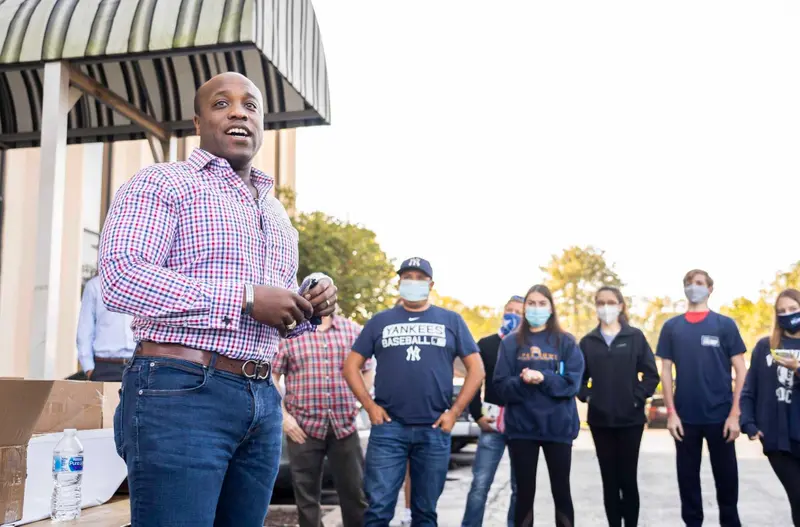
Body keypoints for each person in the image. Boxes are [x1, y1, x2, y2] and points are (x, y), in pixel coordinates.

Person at [99, 72, 338, 527]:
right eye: (221, 103)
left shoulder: (275, 212)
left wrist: (309, 302)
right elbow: (121, 277)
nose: (238, 112)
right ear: (198, 121)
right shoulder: (162, 182)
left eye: (250, 105)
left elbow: (274, 309)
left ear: (262, 123)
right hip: (181, 390)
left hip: (263, 400)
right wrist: (246, 298)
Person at [342, 257, 485, 527]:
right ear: (399, 282)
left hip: (434, 428)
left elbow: (476, 370)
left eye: (420, 278)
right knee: (378, 510)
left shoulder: (451, 320)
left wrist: (454, 413)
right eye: (407, 277)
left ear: (431, 284)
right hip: (388, 429)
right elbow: (351, 366)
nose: (413, 283)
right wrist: (370, 406)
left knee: (425, 512)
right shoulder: (380, 321)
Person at [656, 269, 747, 527]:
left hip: (721, 417)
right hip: (685, 419)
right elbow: (665, 372)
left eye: (698, 283)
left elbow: (741, 371)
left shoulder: (724, 325)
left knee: (727, 482)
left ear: (710, 289)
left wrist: (734, 414)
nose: (693, 287)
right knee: (688, 482)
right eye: (688, 283)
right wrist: (671, 413)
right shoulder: (672, 327)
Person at [493, 284, 585, 527]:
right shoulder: (511, 343)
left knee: (561, 491)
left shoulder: (566, 342)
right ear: (524, 309)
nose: (536, 308)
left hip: (558, 428)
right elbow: (500, 386)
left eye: (542, 303)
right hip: (522, 429)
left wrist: (543, 378)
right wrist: (524, 381)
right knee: (524, 493)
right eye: (531, 303)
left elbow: (571, 384)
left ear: (551, 308)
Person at [273, 311, 373, 527]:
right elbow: (272, 376)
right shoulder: (291, 333)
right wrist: (285, 418)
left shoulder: (353, 331)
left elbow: (367, 368)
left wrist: (358, 402)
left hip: (344, 425)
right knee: (306, 498)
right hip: (302, 429)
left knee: (355, 493)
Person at [578, 286, 659, 527]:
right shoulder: (588, 342)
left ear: (621, 306)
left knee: (628, 479)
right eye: (600, 303)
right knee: (609, 481)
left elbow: (651, 375)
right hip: (600, 422)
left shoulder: (635, 337)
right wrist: (590, 397)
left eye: (610, 302)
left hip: (630, 421)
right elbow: (578, 380)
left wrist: (636, 397)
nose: (605, 307)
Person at [461, 295, 524, 527]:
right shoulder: (487, 344)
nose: (514, 315)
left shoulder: (529, 347)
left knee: (521, 487)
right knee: (480, 483)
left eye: (519, 311)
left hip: (522, 425)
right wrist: (477, 414)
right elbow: (474, 381)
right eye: (510, 310)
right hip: (492, 423)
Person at [740, 288, 800, 525]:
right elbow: (749, 390)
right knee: (797, 496)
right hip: (778, 440)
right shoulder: (766, 346)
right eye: (782, 311)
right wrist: (748, 422)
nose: (788, 315)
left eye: (793, 309)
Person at [76, 273, 136, 381]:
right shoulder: (95, 286)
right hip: (105, 366)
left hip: (138, 365)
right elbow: (85, 329)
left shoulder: (143, 285)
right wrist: (89, 368)